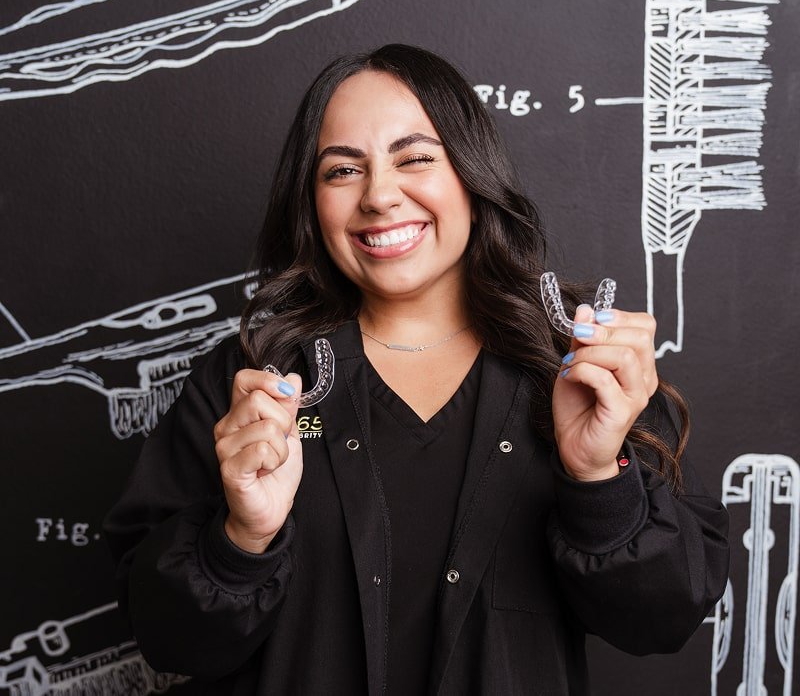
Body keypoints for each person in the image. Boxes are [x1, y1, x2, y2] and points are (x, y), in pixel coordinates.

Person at [103, 43, 729, 694]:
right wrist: (241, 538)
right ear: (311, 202)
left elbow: (661, 620)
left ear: (471, 171)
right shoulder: (251, 382)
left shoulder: (582, 369)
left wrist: (599, 478)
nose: (379, 196)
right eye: (342, 171)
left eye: (416, 158)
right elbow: (167, 639)